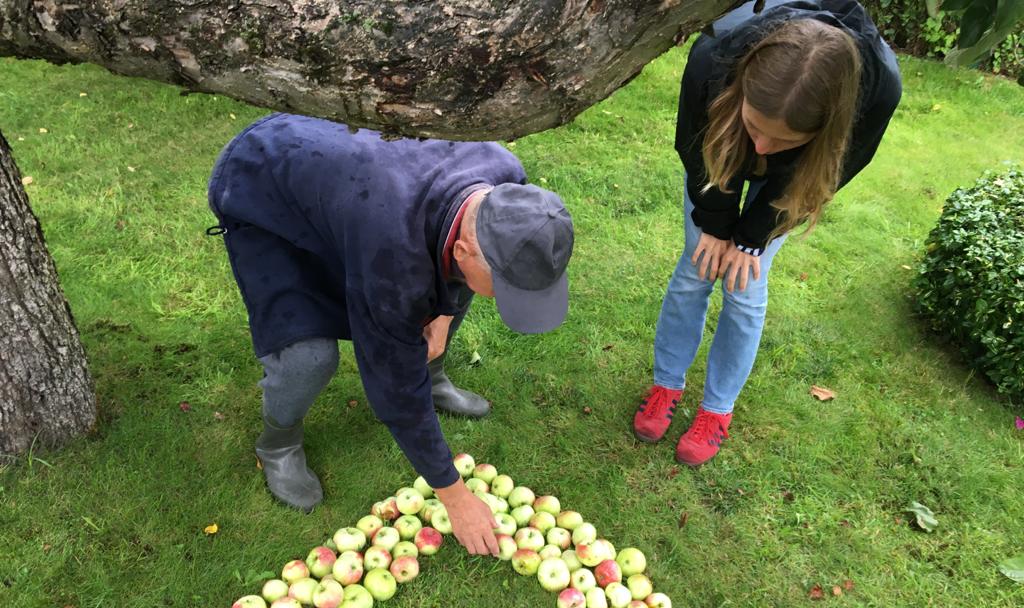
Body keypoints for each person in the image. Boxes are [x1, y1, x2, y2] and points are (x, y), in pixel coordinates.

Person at [207, 114, 573, 555]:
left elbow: (455, 274)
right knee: (309, 355)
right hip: (265, 187)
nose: (502, 300)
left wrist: (442, 314)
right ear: (461, 250)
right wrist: (455, 497)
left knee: (439, 298)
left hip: (352, 186)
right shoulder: (394, 258)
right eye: (506, 287)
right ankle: (278, 442)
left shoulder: (507, 185)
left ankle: (433, 376)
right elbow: (393, 387)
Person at [633, 0, 901, 465]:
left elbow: (828, 174)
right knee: (697, 267)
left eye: (781, 139)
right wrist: (715, 222)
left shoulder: (877, 91)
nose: (762, 148)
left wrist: (753, 235)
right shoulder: (713, 59)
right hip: (719, 144)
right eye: (757, 127)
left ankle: (717, 410)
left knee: (745, 283)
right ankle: (666, 383)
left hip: (798, 176)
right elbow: (696, 146)